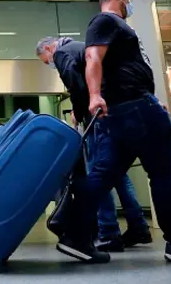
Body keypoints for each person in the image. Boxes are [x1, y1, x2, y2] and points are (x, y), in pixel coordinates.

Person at [53, 0, 171, 264]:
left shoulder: (114, 26)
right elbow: (93, 57)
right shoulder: (106, 20)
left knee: (103, 175)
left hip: (121, 113)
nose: (130, 1)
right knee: (164, 173)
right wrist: (94, 95)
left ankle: (76, 236)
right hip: (135, 108)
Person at [36, 36, 151, 252]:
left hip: (99, 115)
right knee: (117, 174)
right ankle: (138, 226)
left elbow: (75, 84)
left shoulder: (63, 52)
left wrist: (78, 112)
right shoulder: (80, 48)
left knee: (97, 172)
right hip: (115, 109)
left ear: (50, 48)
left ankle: (108, 232)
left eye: (46, 60)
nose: (50, 64)